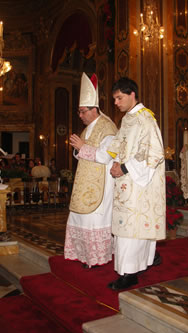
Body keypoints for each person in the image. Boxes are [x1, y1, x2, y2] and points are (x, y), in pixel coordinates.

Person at [107, 77, 166, 290]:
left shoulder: (145, 119)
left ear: (132, 94)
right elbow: (119, 145)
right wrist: (115, 162)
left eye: (119, 97)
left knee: (131, 228)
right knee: (127, 227)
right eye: (114, 98)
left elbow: (153, 152)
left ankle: (129, 273)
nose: (116, 102)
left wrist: (123, 168)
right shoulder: (127, 119)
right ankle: (135, 266)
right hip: (125, 182)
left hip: (137, 184)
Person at [64, 73, 118, 268]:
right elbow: (84, 152)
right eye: (79, 112)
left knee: (93, 220)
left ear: (94, 109)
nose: (80, 116)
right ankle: (83, 254)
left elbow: (106, 155)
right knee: (79, 216)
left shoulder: (108, 127)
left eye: (82, 111)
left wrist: (81, 147)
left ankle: (96, 258)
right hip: (85, 181)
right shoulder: (87, 128)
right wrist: (79, 149)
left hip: (101, 183)